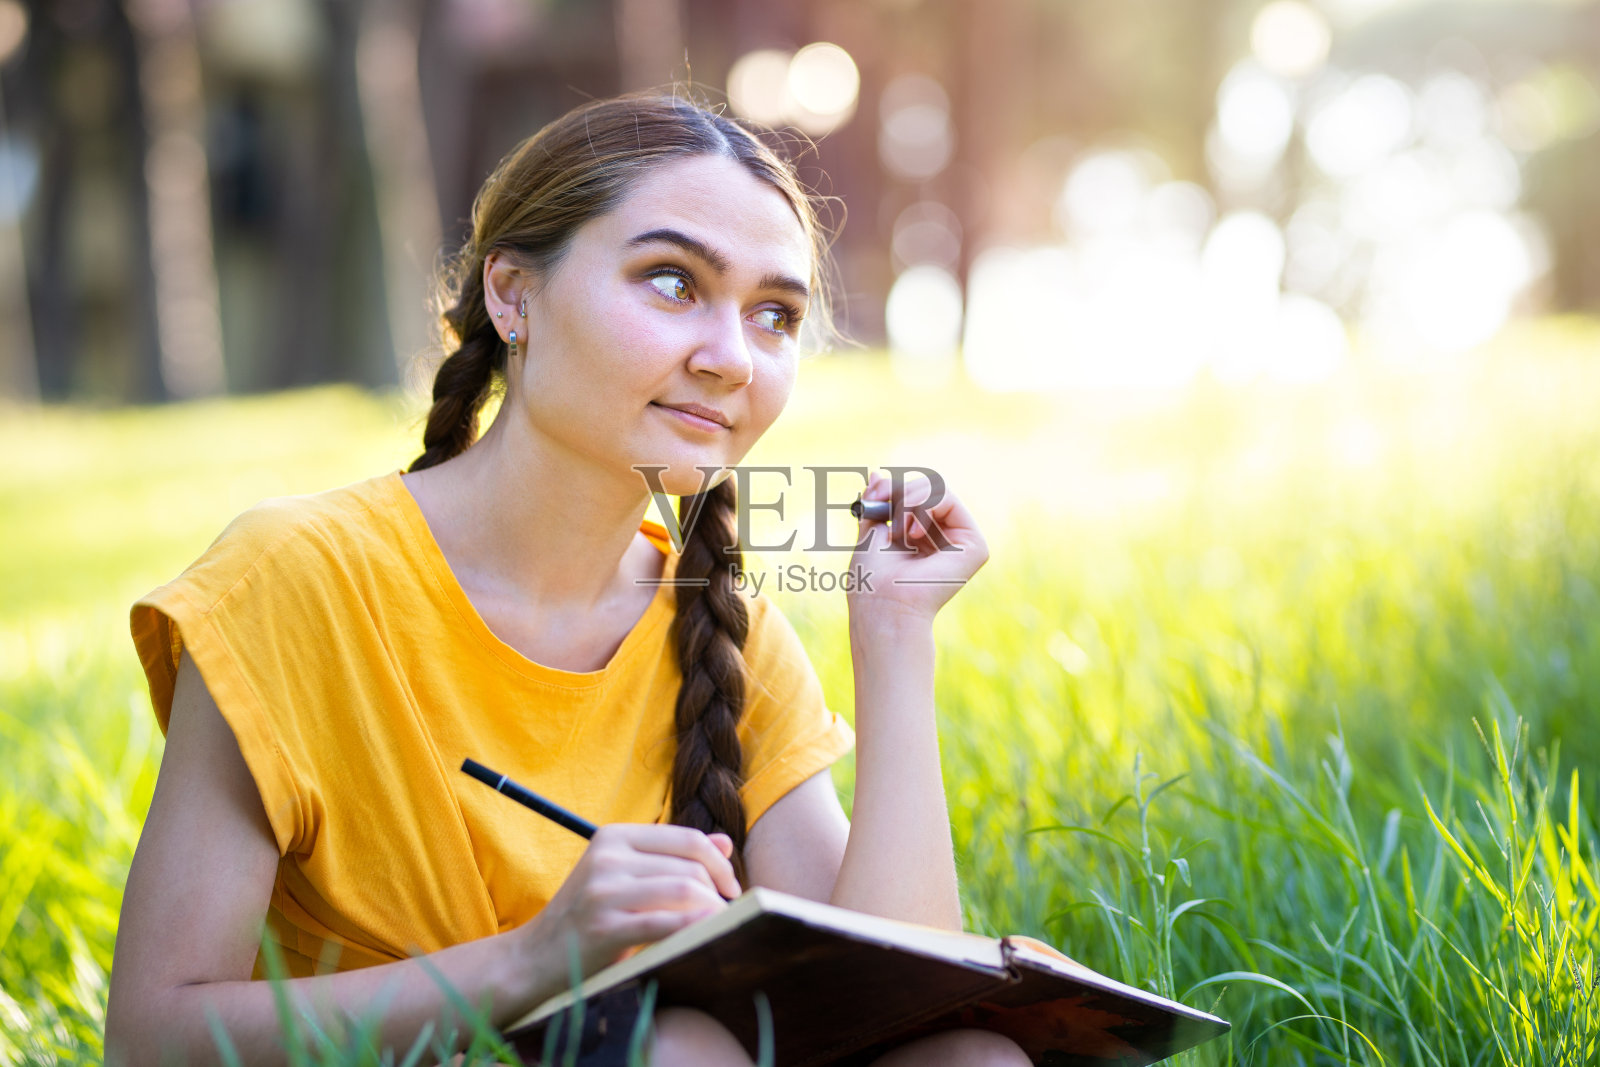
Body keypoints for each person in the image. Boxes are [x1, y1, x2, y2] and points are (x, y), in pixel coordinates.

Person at [104, 93, 1023, 1066]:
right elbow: (150, 1035)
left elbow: (891, 1001)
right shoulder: (296, 580)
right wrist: (536, 958)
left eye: (773, 314)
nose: (730, 358)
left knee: (970, 1057)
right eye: (671, 281)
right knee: (677, 1049)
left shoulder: (723, 629)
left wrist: (893, 634)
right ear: (512, 294)